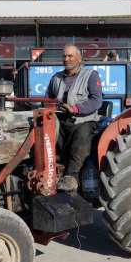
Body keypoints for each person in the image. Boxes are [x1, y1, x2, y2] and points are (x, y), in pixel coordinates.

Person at [46, 44, 103, 192]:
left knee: (81, 135)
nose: (66, 59)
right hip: (62, 119)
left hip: (84, 120)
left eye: (70, 56)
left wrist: (76, 109)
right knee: (45, 133)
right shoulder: (56, 78)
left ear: (79, 58)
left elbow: (96, 100)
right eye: (64, 56)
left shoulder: (90, 75)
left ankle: (72, 177)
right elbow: (47, 100)